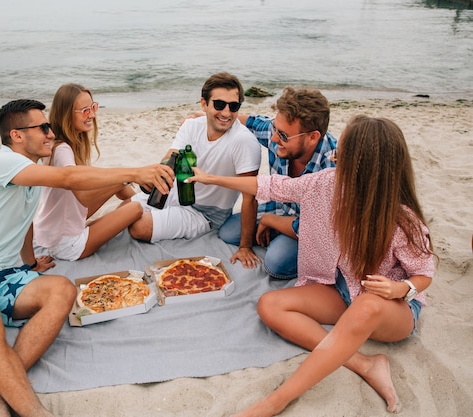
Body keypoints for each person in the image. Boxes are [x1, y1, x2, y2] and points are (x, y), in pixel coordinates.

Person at [0, 99, 173, 417]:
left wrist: (29, 263)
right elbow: (70, 178)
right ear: (16, 135)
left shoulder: (31, 177)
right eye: (43, 127)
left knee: (63, 290)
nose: (50, 133)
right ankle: (35, 412)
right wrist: (136, 171)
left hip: (8, 275)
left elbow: (24, 223)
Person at [188, 115, 435, 416]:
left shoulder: (402, 218)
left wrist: (400, 288)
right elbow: (269, 185)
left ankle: (274, 402)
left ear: (364, 166)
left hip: (391, 309)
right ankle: (363, 362)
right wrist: (212, 178)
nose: (333, 159)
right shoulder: (327, 183)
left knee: (368, 305)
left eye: (339, 155)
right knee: (270, 305)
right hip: (343, 290)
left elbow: (423, 274)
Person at [128, 72, 262, 268]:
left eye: (233, 106)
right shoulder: (192, 126)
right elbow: (170, 157)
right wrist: (154, 176)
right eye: (219, 104)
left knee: (138, 227)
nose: (226, 113)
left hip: (206, 213)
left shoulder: (244, 141)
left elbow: (250, 196)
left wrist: (245, 246)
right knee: (124, 210)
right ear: (203, 104)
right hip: (176, 193)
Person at [219, 86, 337, 279]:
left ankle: (277, 235)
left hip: (309, 227)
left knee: (276, 264)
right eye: (275, 128)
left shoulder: (331, 168)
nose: (274, 138)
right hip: (279, 207)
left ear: (312, 137)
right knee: (228, 233)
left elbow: (320, 230)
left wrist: (270, 221)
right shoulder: (279, 133)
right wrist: (201, 116)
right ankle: (275, 234)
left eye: (282, 135)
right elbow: (250, 122)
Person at [33, 84, 140, 261]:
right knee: (135, 208)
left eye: (93, 107)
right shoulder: (62, 151)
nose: (91, 115)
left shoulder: (60, 145)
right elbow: (83, 194)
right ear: (67, 114)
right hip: (66, 244)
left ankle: (140, 200)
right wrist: (129, 177)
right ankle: (142, 203)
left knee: (120, 185)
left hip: (51, 232)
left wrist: (121, 182)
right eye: (84, 111)